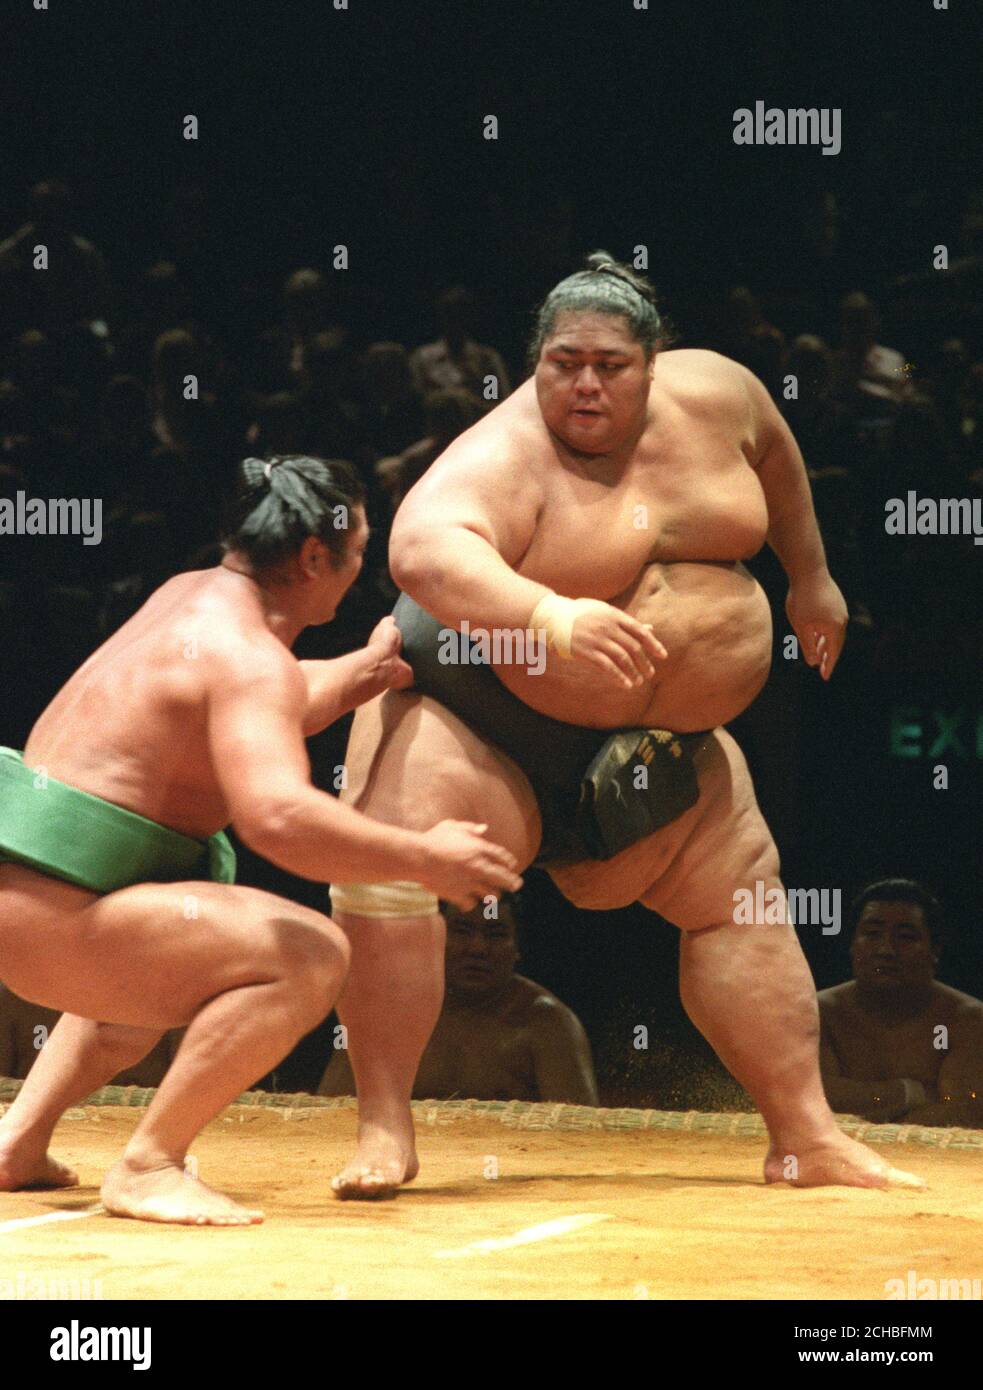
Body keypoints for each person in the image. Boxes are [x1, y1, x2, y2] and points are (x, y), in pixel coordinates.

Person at [327, 252, 922, 1197]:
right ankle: (383, 1128)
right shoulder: (504, 451)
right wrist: (546, 616)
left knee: (745, 903)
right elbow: (422, 548)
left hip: (661, 753)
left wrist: (811, 575)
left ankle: (804, 1135)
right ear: (535, 364)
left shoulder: (720, 395)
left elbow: (775, 451)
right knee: (391, 879)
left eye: (611, 365)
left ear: (658, 362)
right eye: (564, 363)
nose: (586, 385)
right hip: (483, 723)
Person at [0, 455, 520, 1226]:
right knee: (310, 954)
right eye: (356, 553)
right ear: (314, 557)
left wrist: (362, 672)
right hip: (54, 921)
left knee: (162, 951)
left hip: (40, 898)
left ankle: (17, 1142)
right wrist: (423, 857)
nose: (357, 571)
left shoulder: (190, 599)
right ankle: (149, 1165)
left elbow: (256, 702)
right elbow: (276, 815)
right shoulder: (247, 658)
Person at [319, 896, 597, 1106]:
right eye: (462, 931)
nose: (478, 948)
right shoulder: (387, 1011)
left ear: (517, 949)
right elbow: (330, 1111)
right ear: (434, 936)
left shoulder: (547, 1023)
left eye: (496, 934)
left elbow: (579, 1135)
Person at [819, 880, 983, 1127]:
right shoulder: (818, 1013)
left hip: (932, 1162)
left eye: (906, 937)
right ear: (853, 945)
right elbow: (809, 1101)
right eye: (872, 934)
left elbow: (963, 1114)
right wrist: (911, 1093)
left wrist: (862, 1105)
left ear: (934, 950)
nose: (886, 950)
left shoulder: (966, 1019)